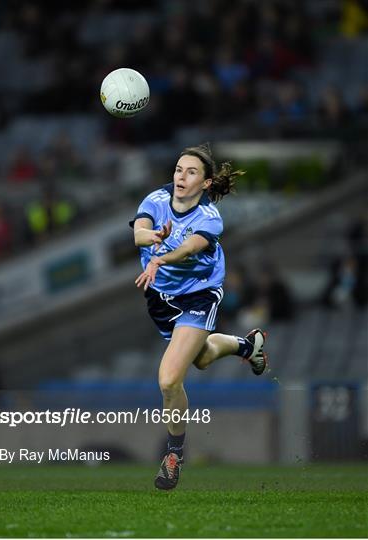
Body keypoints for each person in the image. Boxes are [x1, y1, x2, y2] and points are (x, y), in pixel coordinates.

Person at [130, 143, 268, 490]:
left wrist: (162, 256)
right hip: (161, 297)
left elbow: (190, 248)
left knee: (168, 381)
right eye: (178, 169)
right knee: (203, 358)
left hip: (198, 292)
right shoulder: (156, 200)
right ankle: (245, 346)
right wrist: (153, 236)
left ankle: (174, 455)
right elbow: (138, 233)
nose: (181, 176)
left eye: (191, 172)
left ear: (206, 183)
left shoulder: (209, 218)